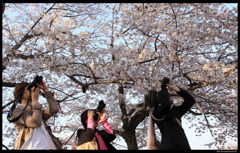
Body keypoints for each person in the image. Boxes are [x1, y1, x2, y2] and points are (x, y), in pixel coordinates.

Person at [10, 79, 62, 150]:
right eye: (29, 89)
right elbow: (35, 122)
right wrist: (35, 102)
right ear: (21, 94)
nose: (32, 91)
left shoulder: (35, 110)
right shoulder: (16, 112)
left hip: (50, 146)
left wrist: (46, 90)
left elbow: (54, 109)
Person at [146, 77, 195, 150]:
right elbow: (165, 104)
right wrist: (162, 88)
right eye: (157, 93)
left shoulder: (174, 111)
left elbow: (190, 101)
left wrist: (176, 88)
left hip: (183, 145)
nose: (160, 94)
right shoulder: (155, 112)